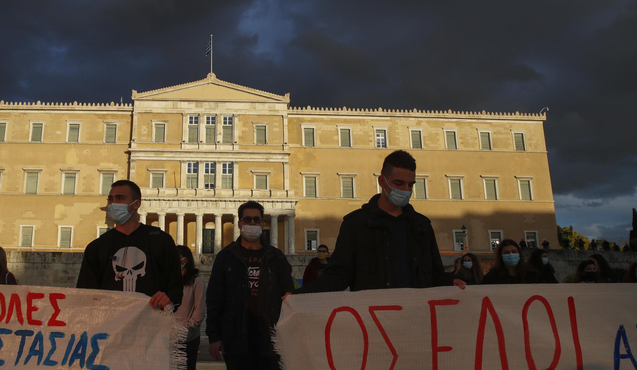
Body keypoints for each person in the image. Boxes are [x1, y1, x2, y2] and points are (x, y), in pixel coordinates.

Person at [290, 150, 465, 295]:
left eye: (410, 185)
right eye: (399, 183)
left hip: (417, 318)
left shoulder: (422, 226)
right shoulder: (356, 225)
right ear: (382, 181)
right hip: (374, 321)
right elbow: (339, 275)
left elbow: (435, 274)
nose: (406, 190)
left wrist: (451, 281)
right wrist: (300, 295)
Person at [207, 201, 294, 370]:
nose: (252, 223)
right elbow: (214, 299)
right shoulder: (226, 257)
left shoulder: (277, 257)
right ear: (240, 223)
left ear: (263, 222)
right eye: (247, 220)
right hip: (235, 336)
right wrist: (214, 336)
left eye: (256, 219)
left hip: (271, 337)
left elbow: (288, 294)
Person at [76, 180, 182, 311]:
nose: (113, 203)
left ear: (136, 204)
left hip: (151, 324)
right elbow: (85, 294)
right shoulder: (96, 247)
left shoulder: (162, 241)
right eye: (110, 199)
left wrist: (168, 298)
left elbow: (176, 287)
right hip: (109, 324)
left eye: (120, 198)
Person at [176, 245, 206, 370]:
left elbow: (199, 309)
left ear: (185, 260)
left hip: (188, 337)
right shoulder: (171, 280)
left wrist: (188, 328)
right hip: (169, 336)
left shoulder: (197, 281)